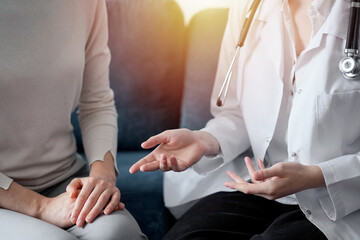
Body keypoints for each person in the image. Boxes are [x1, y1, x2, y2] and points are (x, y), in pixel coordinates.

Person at [130, 0, 360, 239]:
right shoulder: (249, 8)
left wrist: (316, 176)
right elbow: (235, 113)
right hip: (260, 185)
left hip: (339, 197)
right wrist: (205, 140)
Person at [0, 1, 147, 239]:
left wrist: (102, 177)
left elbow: (96, 102)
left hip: (63, 179)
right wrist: (40, 207)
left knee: (119, 233)